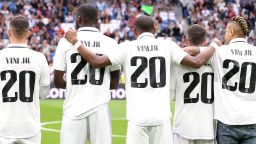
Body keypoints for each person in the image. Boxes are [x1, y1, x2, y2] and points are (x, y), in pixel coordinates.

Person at [64, 15, 219, 144]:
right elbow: (196, 62)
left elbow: (96, 62)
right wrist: (214, 45)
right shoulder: (167, 46)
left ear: (134, 31)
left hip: (137, 119)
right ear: (155, 29)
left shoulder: (126, 47)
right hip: (161, 118)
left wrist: (75, 42)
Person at [53, 4, 120, 144]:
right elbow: (114, 84)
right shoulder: (111, 43)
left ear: (78, 19)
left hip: (73, 108)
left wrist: (76, 85)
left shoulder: (65, 43)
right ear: (98, 20)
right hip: (99, 109)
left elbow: (58, 82)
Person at [0, 16, 50, 144]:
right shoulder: (39, 58)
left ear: (9, 32)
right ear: (28, 34)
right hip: (30, 127)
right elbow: (44, 94)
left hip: (3, 127)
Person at [211, 16, 256, 144]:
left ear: (231, 32)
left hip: (227, 120)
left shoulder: (220, 51)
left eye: (225, 32)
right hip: (252, 119)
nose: (225, 35)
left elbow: (197, 53)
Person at [171, 24, 215, 144]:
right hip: (207, 128)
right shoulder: (216, 61)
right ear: (205, 41)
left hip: (183, 126)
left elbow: (171, 96)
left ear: (185, 40)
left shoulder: (176, 63)